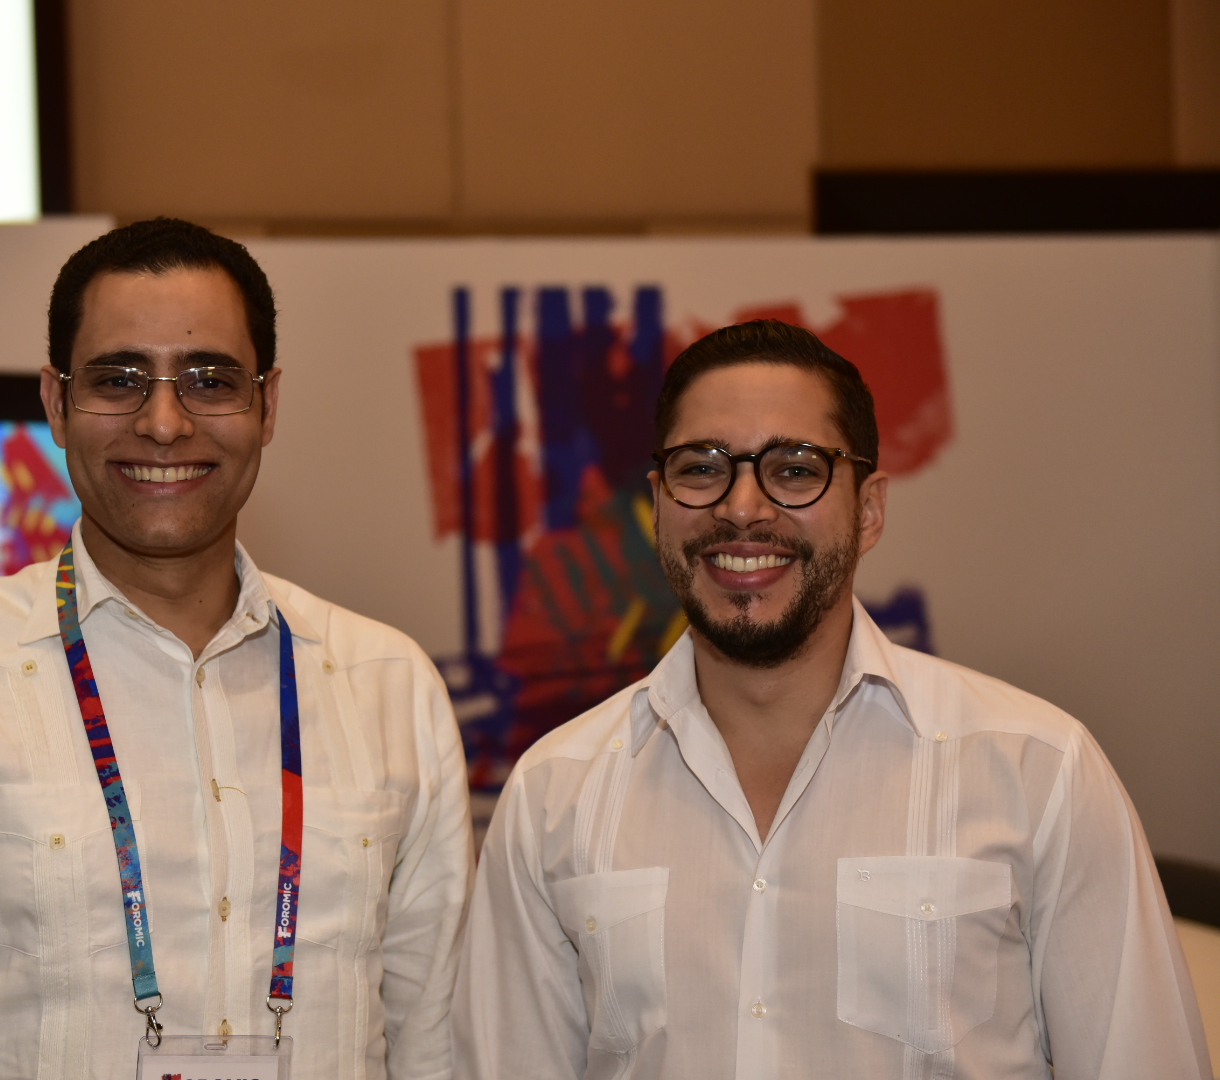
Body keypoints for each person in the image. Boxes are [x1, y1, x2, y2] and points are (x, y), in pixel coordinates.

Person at [0, 218, 472, 1080]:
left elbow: (440, 1047)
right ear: (56, 404)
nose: (164, 423)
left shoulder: (387, 686)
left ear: (268, 405)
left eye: (210, 380)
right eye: (118, 380)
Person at [453, 320, 1211, 1079]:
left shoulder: (1039, 770)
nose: (742, 507)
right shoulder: (554, 794)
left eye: (794, 469)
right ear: (660, 502)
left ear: (868, 509)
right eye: (701, 468)